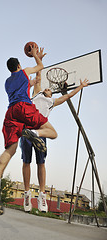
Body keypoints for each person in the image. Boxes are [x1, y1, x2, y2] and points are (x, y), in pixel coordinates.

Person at [0, 45, 58, 215]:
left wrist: (33, 81)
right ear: (18, 65)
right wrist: (35, 56)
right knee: (53, 133)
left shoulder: (7, 82)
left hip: (10, 114)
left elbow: (30, 83)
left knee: (10, 149)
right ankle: (35, 133)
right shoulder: (24, 72)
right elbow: (40, 68)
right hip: (23, 108)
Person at [21, 66, 89, 213]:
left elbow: (68, 96)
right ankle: (27, 194)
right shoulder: (36, 94)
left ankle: (41, 195)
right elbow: (38, 74)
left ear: (52, 93)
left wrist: (81, 86)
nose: (46, 89)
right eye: (45, 89)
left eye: (49, 90)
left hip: (41, 132)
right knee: (26, 161)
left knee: (41, 163)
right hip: (27, 129)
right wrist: (37, 57)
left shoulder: (52, 102)